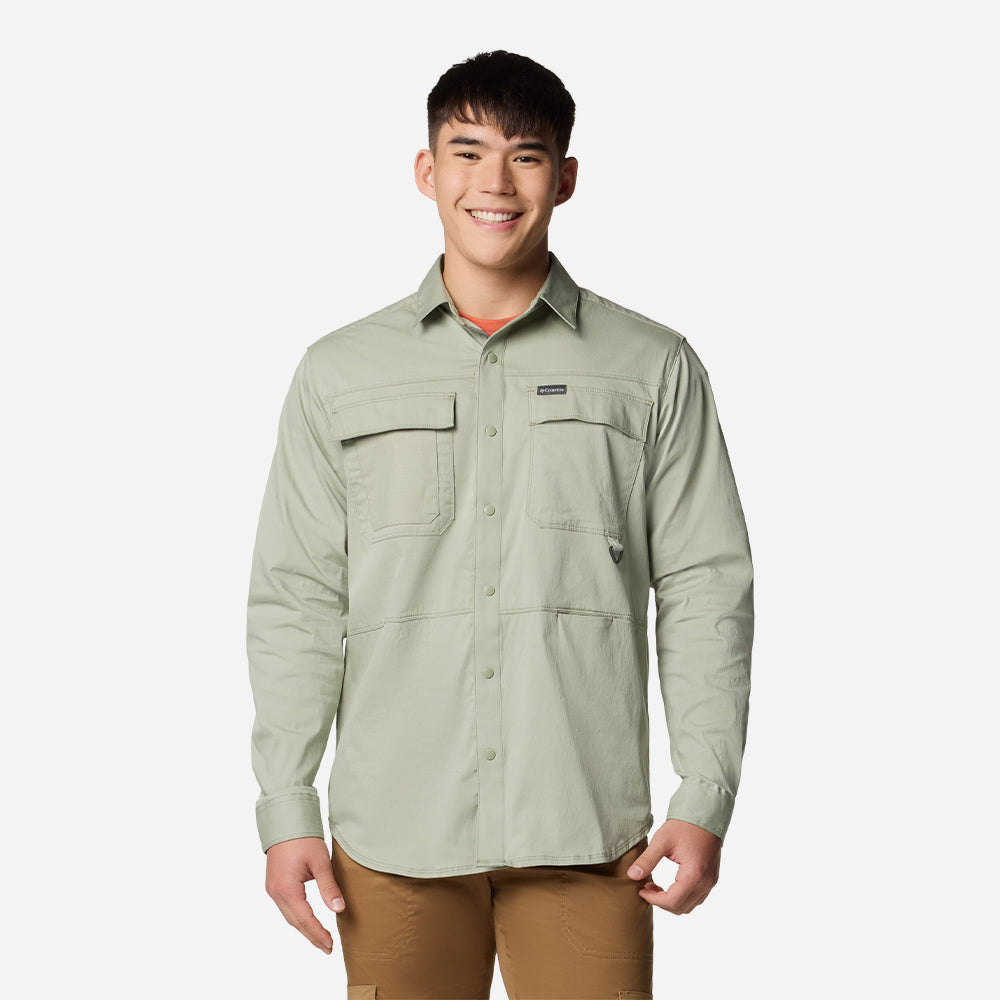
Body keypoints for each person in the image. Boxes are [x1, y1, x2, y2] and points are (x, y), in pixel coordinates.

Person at [246, 49, 754, 999]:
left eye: (526, 156)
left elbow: (704, 586)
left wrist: (705, 793)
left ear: (565, 178)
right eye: (468, 151)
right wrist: (286, 805)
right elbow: (297, 598)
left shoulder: (652, 366)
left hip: (586, 831)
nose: (495, 182)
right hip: (392, 834)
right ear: (425, 170)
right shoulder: (339, 373)